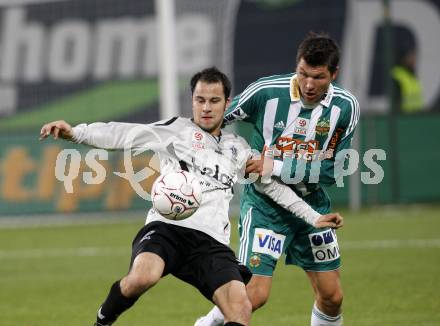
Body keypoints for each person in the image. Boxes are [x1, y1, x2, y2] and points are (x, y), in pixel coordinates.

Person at [39, 67, 342, 326]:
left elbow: (273, 187)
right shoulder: (176, 130)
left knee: (241, 308)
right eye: (200, 100)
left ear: (227, 104)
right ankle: (101, 321)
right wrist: (76, 133)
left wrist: (314, 217)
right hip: (166, 229)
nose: (206, 107)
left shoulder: (238, 150)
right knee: (143, 277)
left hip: (210, 243)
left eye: (214, 101)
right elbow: (124, 133)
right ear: (192, 102)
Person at [196, 33, 359, 326]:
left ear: (334, 74)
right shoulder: (267, 92)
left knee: (332, 295)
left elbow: (333, 171)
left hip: (312, 207)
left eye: (318, 77)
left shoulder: (345, 108)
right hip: (265, 207)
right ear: (296, 66)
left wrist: (275, 165)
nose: (308, 84)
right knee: (253, 295)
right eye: (303, 74)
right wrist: (227, 155)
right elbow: (212, 121)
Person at [391, 28, 424, 114]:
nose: (414, 58)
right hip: (405, 119)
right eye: (410, 55)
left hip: (416, 117)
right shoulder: (397, 75)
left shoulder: (411, 74)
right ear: (403, 57)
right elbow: (396, 103)